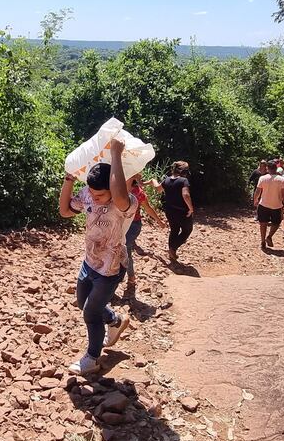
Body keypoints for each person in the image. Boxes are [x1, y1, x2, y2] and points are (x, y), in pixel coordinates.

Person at [59, 139, 137, 375]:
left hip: (111, 267)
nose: (95, 198)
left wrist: (115, 153)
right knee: (84, 303)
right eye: (92, 193)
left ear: (112, 190)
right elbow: (64, 212)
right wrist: (69, 179)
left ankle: (92, 358)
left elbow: (119, 195)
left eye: (100, 194)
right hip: (89, 262)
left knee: (91, 313)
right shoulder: (87, 194)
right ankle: (114, 321)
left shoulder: (126, 202)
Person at [124, 173, 166, 291]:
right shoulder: (118, 189)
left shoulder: (138, 193)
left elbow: (148, 208)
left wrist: (159, 221)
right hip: (119, 224)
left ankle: (130, 276)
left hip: (133, 225)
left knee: (125, 248)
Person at [148, 161, 194, 262]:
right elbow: (185, 195)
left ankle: (171, 253)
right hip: (182, 211)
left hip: (169, 210)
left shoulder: (167, 180)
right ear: (184, 171)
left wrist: (152, 181)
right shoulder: (183, 181)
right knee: (187, 230)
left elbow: (158, 189)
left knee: (174, 230)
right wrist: (191, 208)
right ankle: (173, 249)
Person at [253, 160, 284, 249]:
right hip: (277, 205)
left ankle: (263, 241)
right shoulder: (281, 180)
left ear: (267, 168)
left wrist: (255, 200)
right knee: (276, 223)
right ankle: (269, 236)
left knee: (263, 224)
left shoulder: (262, 178)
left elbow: (258, 191)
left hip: (263, 204)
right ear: (276, 168)